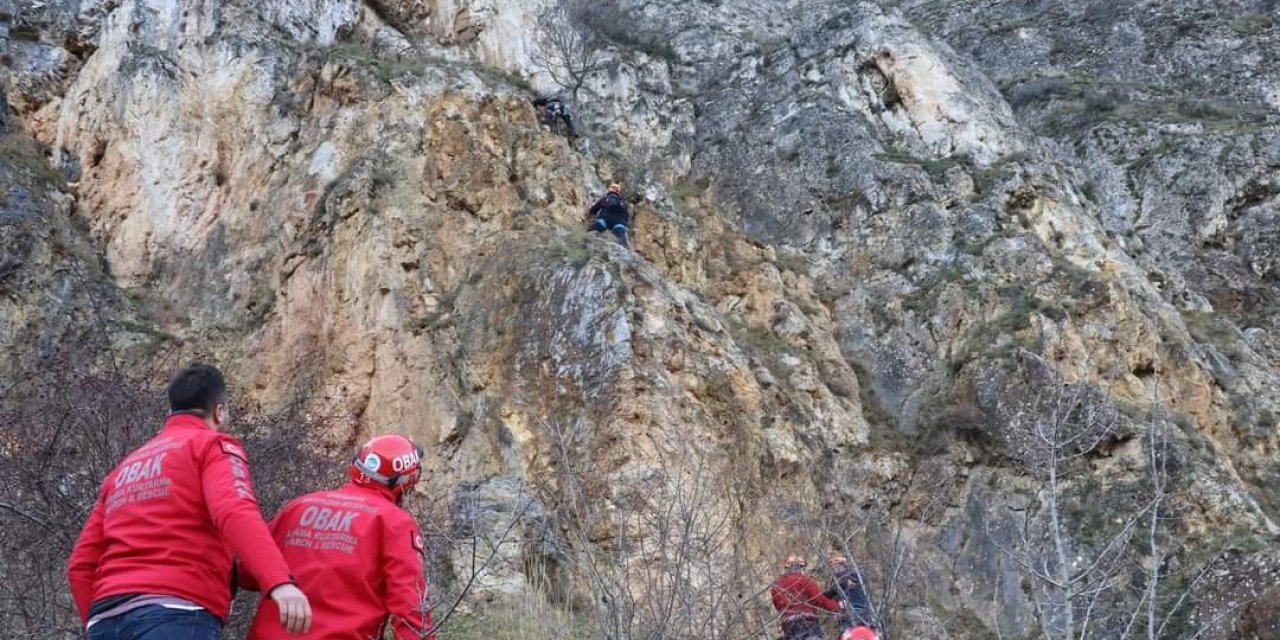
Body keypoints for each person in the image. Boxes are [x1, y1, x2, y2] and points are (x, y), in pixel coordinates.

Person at [67, 364, 312, 640]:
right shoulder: (210, 446)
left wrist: (95, 622)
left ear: (172, 410)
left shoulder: (122, 470)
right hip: (176, 613)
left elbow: (81, 564)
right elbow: (234, 510)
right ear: (219, 412)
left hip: (105, 619)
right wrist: (279, 582)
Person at [246, 434, 435, 640]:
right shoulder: (395, 523)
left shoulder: (299, 506)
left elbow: (247, 571)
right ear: (407, 481)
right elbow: (410, 609)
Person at [770, 555, 843, 640]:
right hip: (806, 623)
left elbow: (778, 606)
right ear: (800, 567)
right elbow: (818, 599)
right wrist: (837, 606)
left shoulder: (777, 586)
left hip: (788, 626)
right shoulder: (804, 580)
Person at [824, 555, 874, 630]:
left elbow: (833, 590)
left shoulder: (851, 575)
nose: (833, 569)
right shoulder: (836, 580)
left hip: (857, 612)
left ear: (840, 565)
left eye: (834, 566)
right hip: (850, 615)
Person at [588, 183, 630, 248]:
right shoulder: (623, 201)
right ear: (619, 192)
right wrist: (625, 225)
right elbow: (626, 216)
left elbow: (594, 209)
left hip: (605, 220)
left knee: (592, 235)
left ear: (610, 190)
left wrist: (591, 214)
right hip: (619, 223)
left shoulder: (605, 198)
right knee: (621, 244)